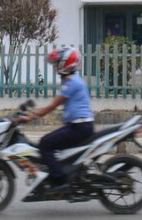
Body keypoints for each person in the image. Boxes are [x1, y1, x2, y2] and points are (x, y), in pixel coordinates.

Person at [17, 47, 94, 188]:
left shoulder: (72, 83)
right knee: (51, 142)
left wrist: (32, 116)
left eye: (57, 63)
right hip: (77, 125)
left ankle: (59, 179)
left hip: (80, 127)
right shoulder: (71, 80)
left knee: (45, 143)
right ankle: (60, 170)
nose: (55, 67)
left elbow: (53, 105)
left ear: (66, 64)